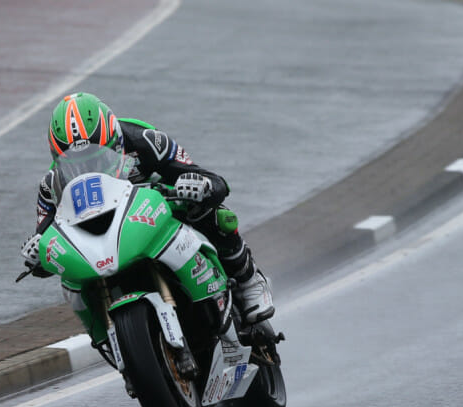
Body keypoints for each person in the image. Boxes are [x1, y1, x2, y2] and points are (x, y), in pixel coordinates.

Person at [20, 92, 275, 324]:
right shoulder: (51, 184)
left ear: (115, 140)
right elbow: (47, 237)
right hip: (103, 238)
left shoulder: (146, 140)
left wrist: (199, 186)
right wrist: (37, 253)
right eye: (76, 161)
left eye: (98, 156)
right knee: (73, 279)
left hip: (158, 209)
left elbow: (215, 182)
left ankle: (249, 280)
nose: (89, 166)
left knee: (216, 214)